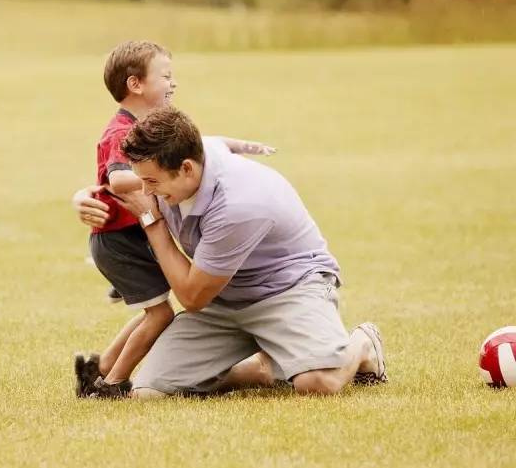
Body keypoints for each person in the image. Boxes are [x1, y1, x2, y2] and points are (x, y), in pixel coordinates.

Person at [79, 106, 387, 398]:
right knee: (151, 391)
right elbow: (116, 187)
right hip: (224, 300)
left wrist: (152, 222)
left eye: (150, 182)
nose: (144, 191)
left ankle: (361, 344)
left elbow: (192, 297)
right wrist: (81, 199)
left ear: (186, 169)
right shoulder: (181, 159)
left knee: (317, 383)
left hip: (287, 289)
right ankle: (266, 366)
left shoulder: (238, 205)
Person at [75, 40, 274, 398]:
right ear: (136, 84)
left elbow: (204, 143)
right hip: (120, 242)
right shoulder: (121, 133)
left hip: (131, 238)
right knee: (161, 315)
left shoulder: (147, 126)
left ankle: (99, 368)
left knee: (158, 309)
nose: (173, 83)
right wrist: (159, 178)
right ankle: (112, 383)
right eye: (165, 76)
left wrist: (243, 147)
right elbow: (117, 179)